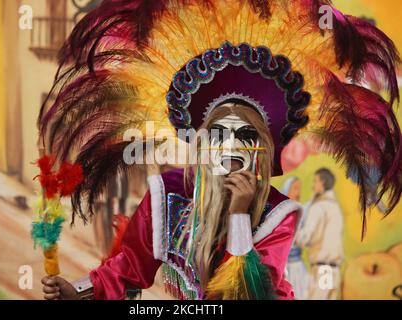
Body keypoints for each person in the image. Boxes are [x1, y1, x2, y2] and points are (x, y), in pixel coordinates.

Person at [37, 0, 401, 300]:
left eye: (244, 135)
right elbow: (130, 266)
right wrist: (78, 291)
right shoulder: (170, 194)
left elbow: (246, 296)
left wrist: (241, 217)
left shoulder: (277, 213)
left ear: (261, 149)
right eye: (217, 135)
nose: (230, 146)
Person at [296, 168, 344, 300]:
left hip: (323, 270)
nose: (313, 185)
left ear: (322, 183)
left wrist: (293, 232)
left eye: (315, 181)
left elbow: (305, 237)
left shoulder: (318, 207)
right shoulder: (335, 207)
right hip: (334, 270)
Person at [281, 177, 309, 300]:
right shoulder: (279, 214)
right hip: (283, 267)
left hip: (297, 266)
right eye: (295, 188)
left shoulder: (300, 212)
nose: (298, 193)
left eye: (299, 189)